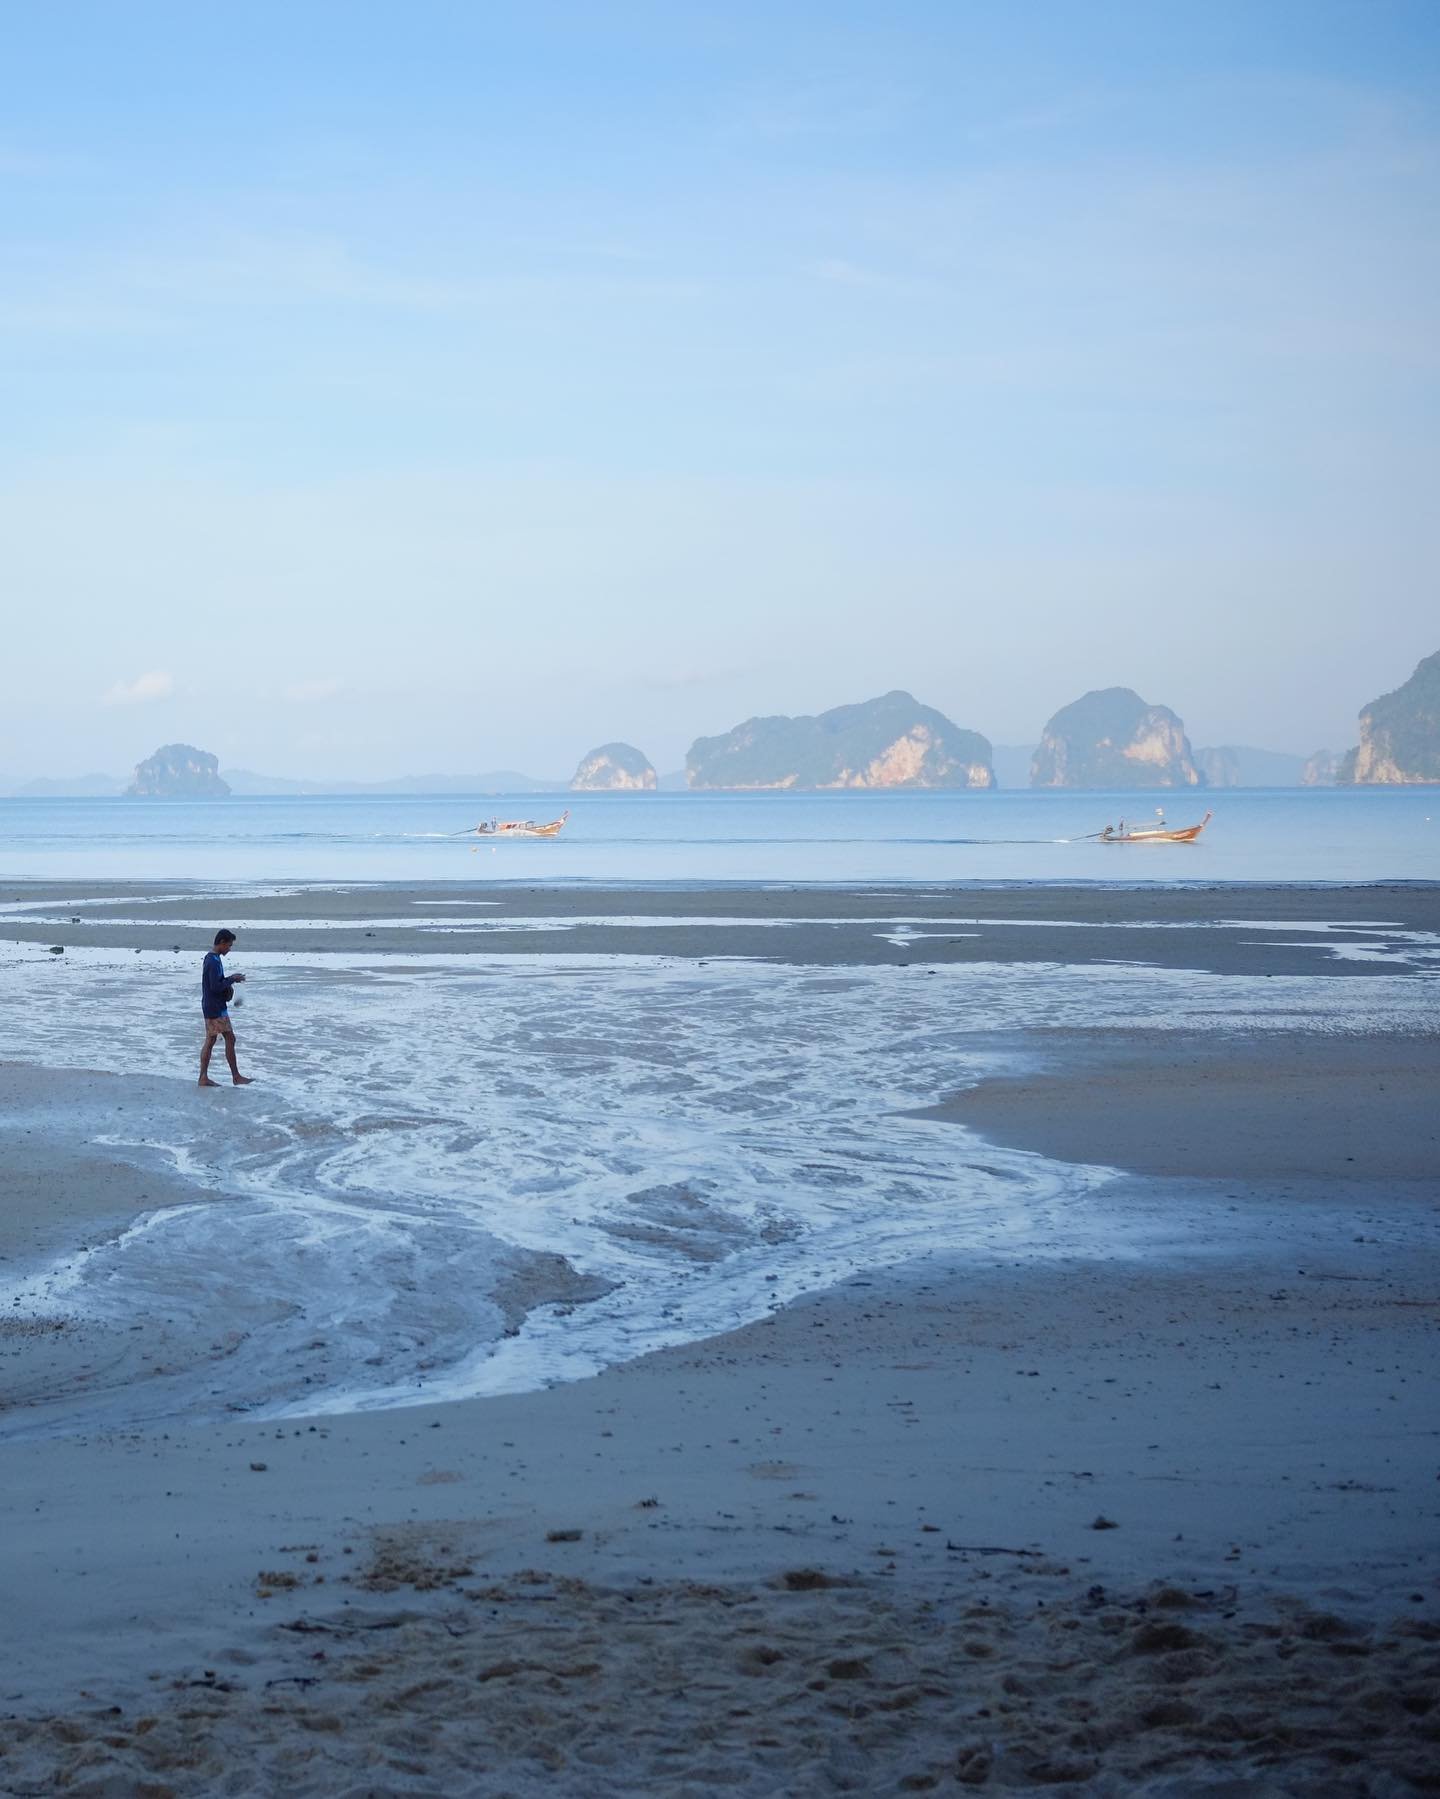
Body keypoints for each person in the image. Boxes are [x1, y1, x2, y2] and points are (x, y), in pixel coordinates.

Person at [199, 929, 252, 1088]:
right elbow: (215, 987)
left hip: (212, 1005)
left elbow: (217, 982)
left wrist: (231, 979)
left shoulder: (213, 958)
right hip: (215, 1008)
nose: (230, 948)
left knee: (212, 1040)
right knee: (227, 1039)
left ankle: (204, 1077)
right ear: (221, 942)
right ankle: (235, 1077)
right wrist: (231, 979)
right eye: (229, 945)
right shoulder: (213, 961)